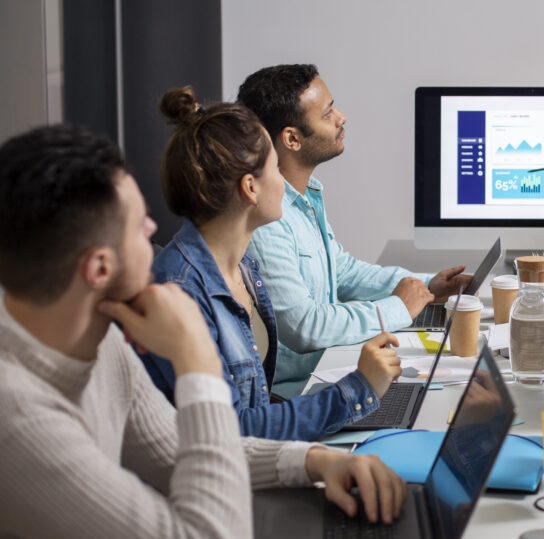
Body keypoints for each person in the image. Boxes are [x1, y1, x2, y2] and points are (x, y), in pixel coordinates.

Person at [0, 125, 406, 537]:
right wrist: (195, 358)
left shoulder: (101, 338)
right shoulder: (18, 423)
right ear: (100, 270)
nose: (152, 232)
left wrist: (314, 461)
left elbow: (180, 450)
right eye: (138, 225)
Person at [140, 87, 404, 441]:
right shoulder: (183, 290)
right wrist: (357, 388)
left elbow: (255, 407)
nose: (284, 181)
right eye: (275, 169)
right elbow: (233, 432)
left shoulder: (243, 266)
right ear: (250, 187)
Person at [237, 64, 472, 395]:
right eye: (328, 112)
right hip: (299, 393)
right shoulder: (267, 221)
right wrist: (398, 309)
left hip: (330, 370)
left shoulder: (305, 198)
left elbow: (342, 272)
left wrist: (426, 285)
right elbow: (304, 326)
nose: (341, 117)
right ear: (292, 138)